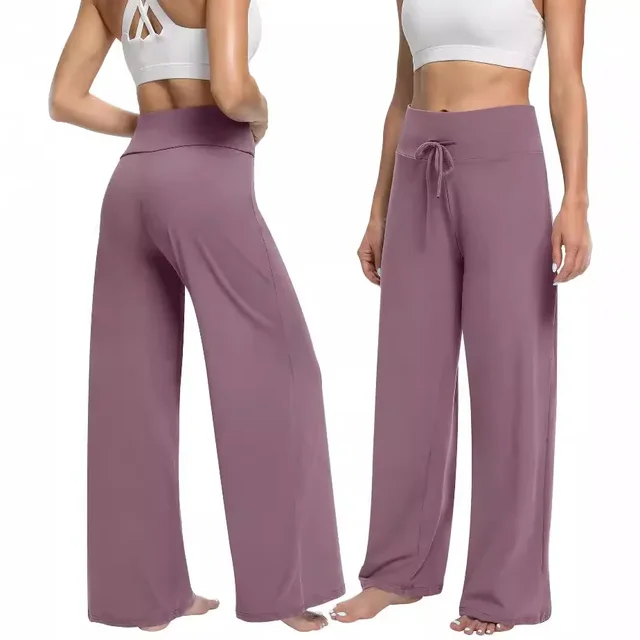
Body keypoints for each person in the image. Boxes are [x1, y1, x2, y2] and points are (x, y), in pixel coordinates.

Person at [49, 0, 344, 632]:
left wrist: (152, 129)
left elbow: (65, 100)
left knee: (132, 398)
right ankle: (282, 591)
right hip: (208, 176)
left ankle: (145, 598)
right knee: (278, 376)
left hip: (132, 184)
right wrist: (261, 116)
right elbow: (232, 91)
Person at [332, 0, 590, 635]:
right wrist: (378, 210)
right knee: (408, 382)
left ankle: (504, 591)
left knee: (510, 383)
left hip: (506, 164)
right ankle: (397, 572)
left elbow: (566, 83)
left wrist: (576, 201)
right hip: (417, 163)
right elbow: (402, 95)